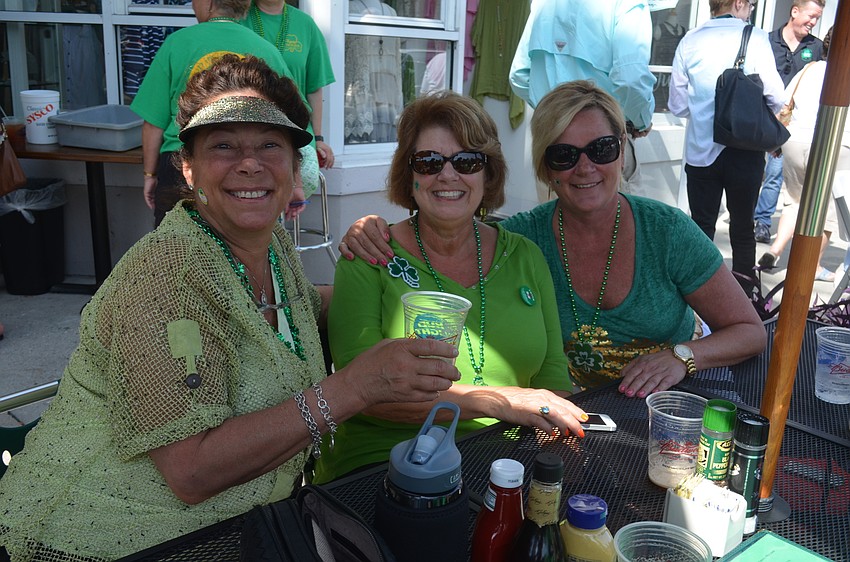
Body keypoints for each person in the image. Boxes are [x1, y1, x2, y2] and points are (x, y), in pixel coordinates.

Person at [0, 55, 461, 562]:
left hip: (241, 529)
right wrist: (355, 386)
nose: (249, 163)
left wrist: (385, 281)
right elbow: (191, 472)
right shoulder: (166, 277)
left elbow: (301, 312)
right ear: (188, 167)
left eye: (270, 145)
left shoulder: (270, 246)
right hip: (95, 540)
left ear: (294, 167)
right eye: (223, 145)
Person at [338, 80, 766, 399]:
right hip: (571, 410)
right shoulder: (520, 242)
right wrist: (368, 232)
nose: (585, 167)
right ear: (545, 168)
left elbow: (749, 330)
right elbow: (447, 260)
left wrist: (683, 357)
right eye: (564, 155)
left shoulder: (667, 231)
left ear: (622, 150)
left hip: (664, 404)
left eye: (601, 149)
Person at [312, 91, 586, 484]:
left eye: (467, 161)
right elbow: (362, 395)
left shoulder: (525, 257)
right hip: (383, 465)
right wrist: (497, 401)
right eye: (429, 162)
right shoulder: (370, 255)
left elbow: (553, 380)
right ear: (409, 175)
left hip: (507, 460)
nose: (447, 174)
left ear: (488, 174)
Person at [131, 0, 292, 226]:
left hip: (180, 162)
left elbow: (153, 123)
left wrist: (150, 174)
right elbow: (291, 119)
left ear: (208, 2)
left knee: (175, 241)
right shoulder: (266, 50)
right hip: (249, 162)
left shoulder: (177, 43)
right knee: (238, 239)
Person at [668, 0, 785, 294]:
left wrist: (704, 111)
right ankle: (745, 299)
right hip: (744, 150)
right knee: (743, 229)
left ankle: (698, 296)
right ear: (739, 3)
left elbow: (677, 105)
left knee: (701, 228)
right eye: (751, 4)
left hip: (701, 150)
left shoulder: (690, 40)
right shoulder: (755, 37)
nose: (751, 9)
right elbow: (776, 96)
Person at [509, 0, 656, 199]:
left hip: (552, 140)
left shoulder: (544, 3)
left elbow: (519, 76)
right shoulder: (627, 4)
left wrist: (553, 114)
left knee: (554, 215)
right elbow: (631, 80)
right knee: (620, 216)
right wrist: (640, 120)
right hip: (604, 143)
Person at [759, 27, 847, 282]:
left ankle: (775, 250)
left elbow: (786, 104)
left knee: (794, 201)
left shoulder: (810, 69)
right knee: (827, 211)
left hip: (796, 140)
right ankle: (811, 266)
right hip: (836, 144)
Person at [242, 0, 336, 189]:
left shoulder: (306, 25)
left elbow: (314, 89)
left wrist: (318, 139)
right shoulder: (241, 18)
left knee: (295, 187)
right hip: (249, 126)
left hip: (296, 129)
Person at [753, 0, 825, 244]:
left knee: (774, 173)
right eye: (811, 15)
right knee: (753, 170)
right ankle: (747, 213)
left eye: (817, 18)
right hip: (760, 118)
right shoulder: (767, 41)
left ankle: (762, 222)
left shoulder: (815, 48)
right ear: (795, 11)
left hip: (789, 123)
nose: (813, 22)